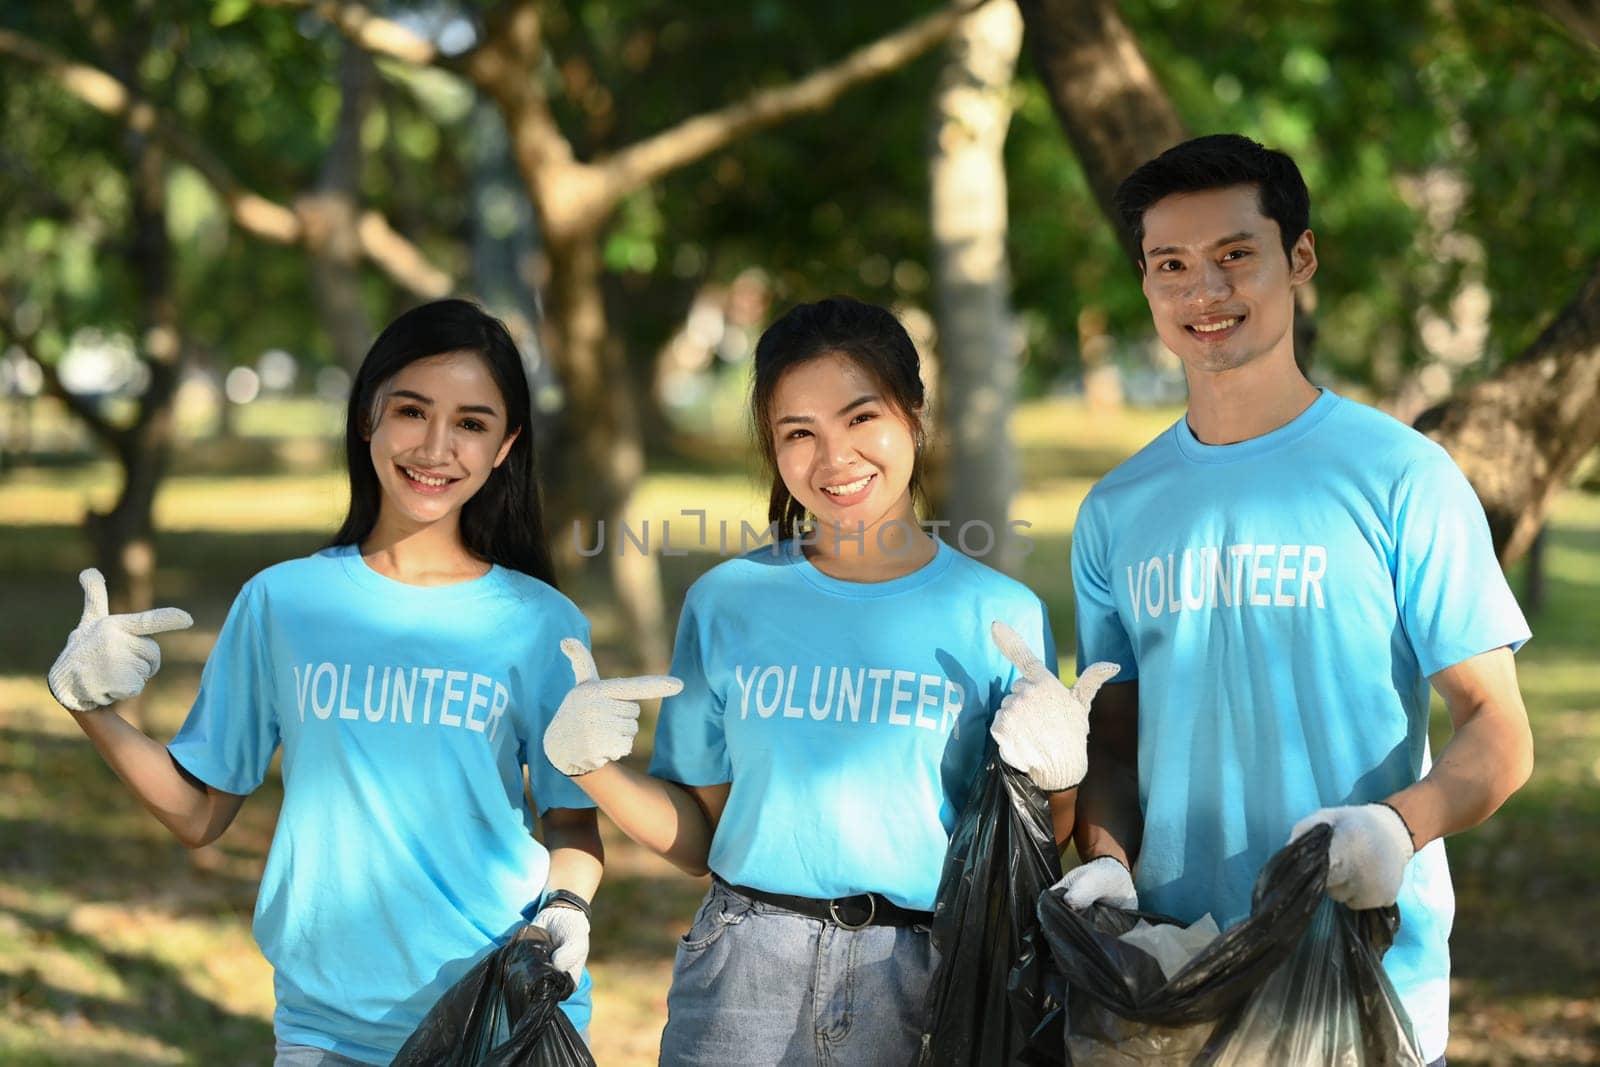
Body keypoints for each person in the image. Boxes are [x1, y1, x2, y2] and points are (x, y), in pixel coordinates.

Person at [539, 295, 1116, 1065]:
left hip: (925, 976)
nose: (834, 458)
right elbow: (697, 840)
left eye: (859, 418)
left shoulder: (998, 615)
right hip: (741, 975)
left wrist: (1061, 774)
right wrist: (594, 769)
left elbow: (1041, 840)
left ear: (913, 413)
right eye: (798, 433)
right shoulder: (727, 602)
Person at [1062, 134, 1534, 1066]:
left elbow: (1500, 730)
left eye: (1236, 254)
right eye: (1172, 265)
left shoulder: (1403, 476)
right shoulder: (1114, 509)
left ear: (1299, 259)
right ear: (1147, 284)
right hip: (1176, 978)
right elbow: (1113, 741)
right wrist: (1108, 867)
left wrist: (1399, 827)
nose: (1206, 291)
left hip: (1363, 971)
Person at [46, 299, 605, 1066]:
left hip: (497, 1011)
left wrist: (567, 907)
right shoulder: (283, 601)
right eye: (412, 410)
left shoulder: (541, 621)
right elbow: (198, 811)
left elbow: (573, 820)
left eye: (472, 423)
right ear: (367, 416)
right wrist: (89, 707)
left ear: (506, 445)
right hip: (327, 1024)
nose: (437, 446)